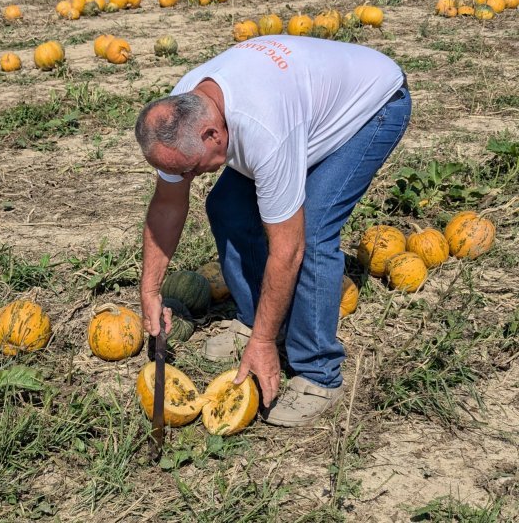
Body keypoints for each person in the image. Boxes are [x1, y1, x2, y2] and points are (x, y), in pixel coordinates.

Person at [135, 35, 411, 427]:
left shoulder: (264, 128)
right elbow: (167, 202)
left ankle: (318, 372)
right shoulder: (178, 120)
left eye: (192, 169)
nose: (188, 178)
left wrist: (261, 346)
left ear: (213, 135)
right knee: (226, 205)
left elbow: (289, 249)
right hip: (303, 105)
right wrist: (150, 290)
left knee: (313, 231)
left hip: (374, 105)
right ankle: (259, 318)